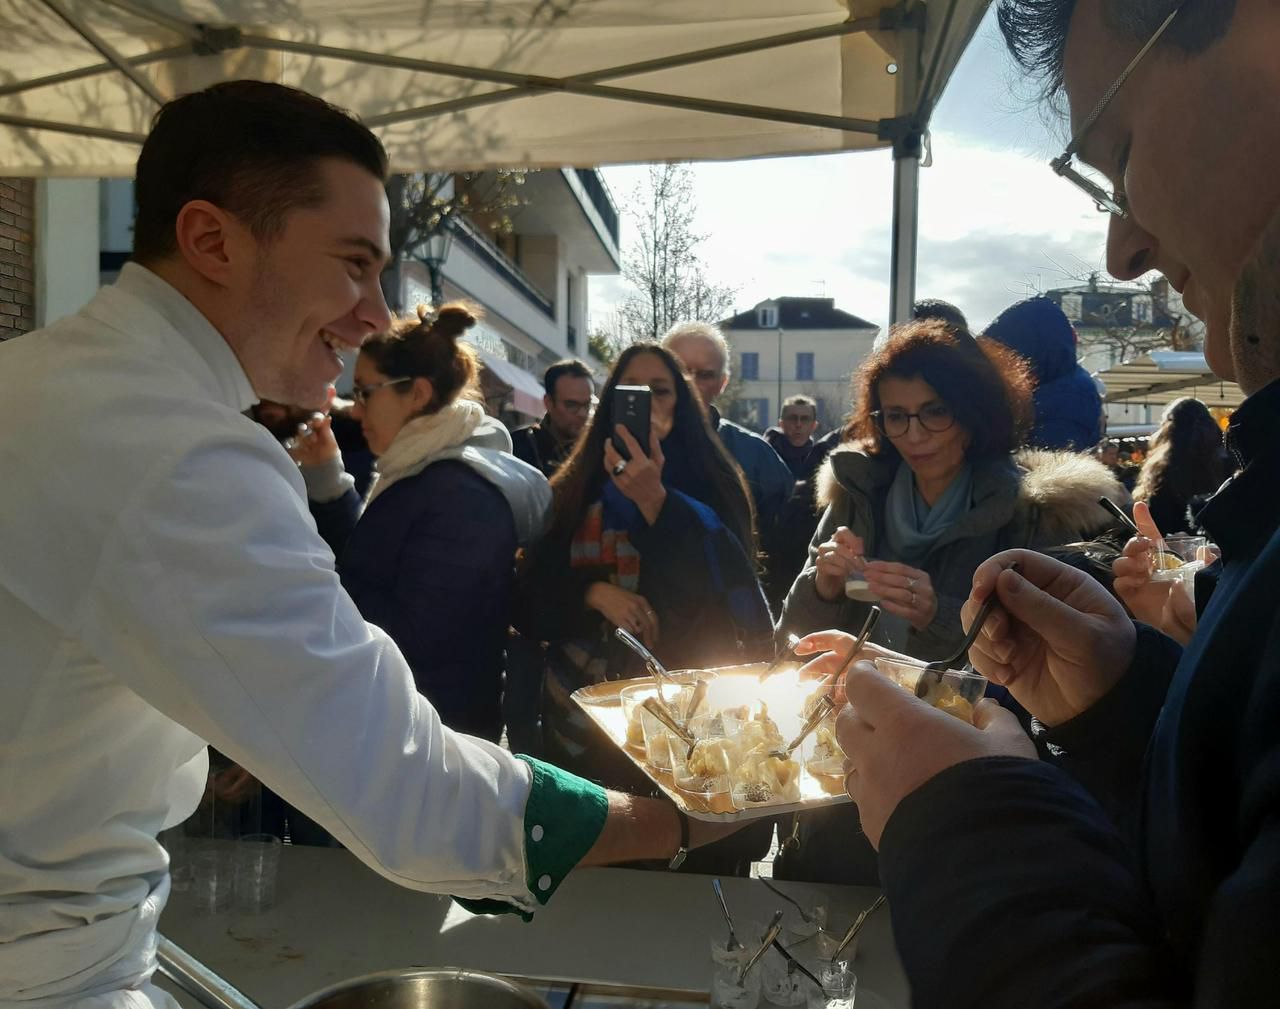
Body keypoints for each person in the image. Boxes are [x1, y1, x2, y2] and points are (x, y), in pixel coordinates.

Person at [0, 80, 734, 1009]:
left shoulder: (40, 378)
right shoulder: (181, 444)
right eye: (353, 265)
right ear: (211, 240)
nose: (378, 315)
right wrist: (671, 821)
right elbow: (407, 787)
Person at [821, 0, 1280, 1004]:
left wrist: (966, 820)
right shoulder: (853, 490)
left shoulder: (1042, 505)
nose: (1120, 248)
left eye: (1113, 157)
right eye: (891, 416)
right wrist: (1130, 707)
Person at [773, 318, 1124, 885]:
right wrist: (824, 586)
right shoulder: (857, 495)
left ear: (972, 412)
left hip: (957, 794)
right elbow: (790, 643)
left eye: (934, 411)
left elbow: (1035, 683)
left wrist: (938, 613)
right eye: (896, 415)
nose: (914, 434)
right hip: (840, 779)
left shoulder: (1030, 513)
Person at [291, 302, 550, 742]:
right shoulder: (420, 468)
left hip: (428, 743)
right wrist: (330, 481)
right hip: (402, 728)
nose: (356, 410)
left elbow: (415, 638)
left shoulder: (462, 495)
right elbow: (379, 563)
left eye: (367, 391)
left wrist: (306, 580)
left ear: (418, 394)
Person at [515, 342, 772, 776]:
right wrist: (593, 594)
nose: (647, 403)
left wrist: (657, 503)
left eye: (660, 390)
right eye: (631, 390)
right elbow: (528, 601)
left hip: (690, 720)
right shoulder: (575, 487)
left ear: (682, 403)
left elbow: (721, 601)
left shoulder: (716, 484)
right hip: (582, 721)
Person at [662, 321, 794, 536]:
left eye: (704, 374)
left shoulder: (757, 457)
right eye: (680, 371)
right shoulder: (629, 445)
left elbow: (780, 545)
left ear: (722, 383)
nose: (690, 382)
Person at [983, 295, 1105, 451]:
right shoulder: (1062, 383)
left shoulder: (1064, 396)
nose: (1001, 367)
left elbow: (1047, 463)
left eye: (1005, 354)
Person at [763, 395, 835, 609]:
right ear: (781, 423)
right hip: (770, 555)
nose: (798, 425)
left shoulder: (823, 461)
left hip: (806, 553)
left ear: (814, 425)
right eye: (792, 418)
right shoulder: (764, 456)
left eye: (804, 419)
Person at [1132, 396, 1232, 534]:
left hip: (1179, 547)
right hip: (1226, 542)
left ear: (1170, 428)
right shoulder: (1229, 461)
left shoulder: (1163, 469)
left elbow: (1158, 522)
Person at [510, 358, 595, 477]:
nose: (582, 413)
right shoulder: (517, 446)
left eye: (587, 405)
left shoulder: (598, 450)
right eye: (571, 405)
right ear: (549, 403)